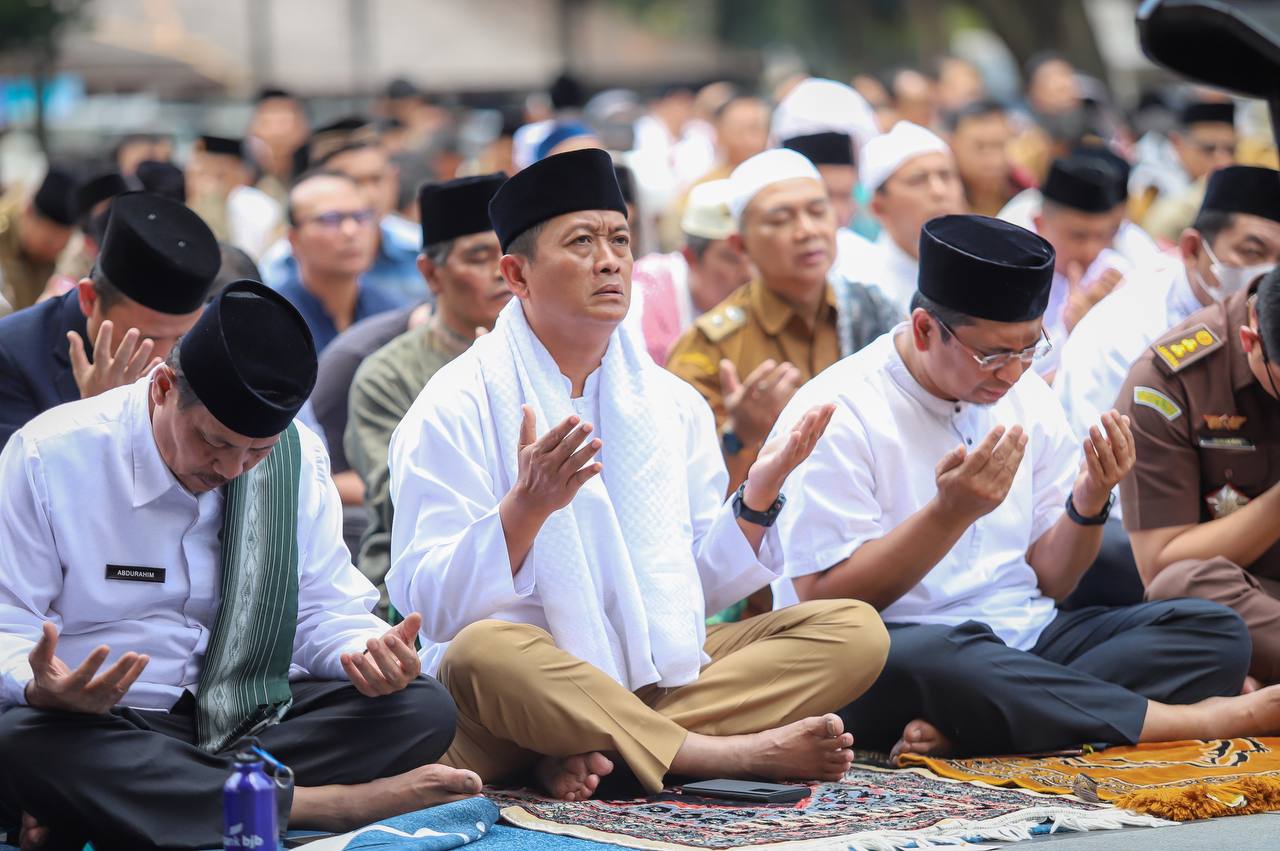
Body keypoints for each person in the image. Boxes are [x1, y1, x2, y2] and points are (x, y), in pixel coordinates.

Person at [387, 148, 889, 801]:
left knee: (854, 631)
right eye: (582, 241)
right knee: (484, 651)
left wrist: (758, 496)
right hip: (516, 695)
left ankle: (596, 750)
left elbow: (695, 593)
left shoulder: (670, 402)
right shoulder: (454, 405)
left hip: (651, 677)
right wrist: (527, 508)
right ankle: (716, 753)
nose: (609, 259)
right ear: (517, 273)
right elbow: (433, 608)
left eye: (620, 239)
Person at [767, 213, 1272, 760]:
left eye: (1029, 350)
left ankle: (982, 728)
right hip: (898, 651)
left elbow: (1053, 581)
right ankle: (1182, 720)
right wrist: (948, 515)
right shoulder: (842, 411)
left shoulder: (1027, 396)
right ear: (923, 329)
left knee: (1213, 632)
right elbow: (826, 604)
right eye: (992, 355)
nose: (1011, 373)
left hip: (1025, 639)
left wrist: (1090, 500)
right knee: (949, 655)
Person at [0, 280, 475, 849]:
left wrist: (363, 651)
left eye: (257, 451)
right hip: (107, 719)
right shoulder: (51, 455)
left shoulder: (296, 457)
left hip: (250, 714)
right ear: (162, 388)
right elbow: (7, 618)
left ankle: (123, 806)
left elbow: (322, 607)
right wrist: (39, 687)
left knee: (421, 708)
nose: (232, 469)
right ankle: (325, 805)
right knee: (20, 737)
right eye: (214, 443)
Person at [1054, 165, 1280, 607]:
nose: (1267, 274)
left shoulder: (1271, 321)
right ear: (1194, 248)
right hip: (1146, 540)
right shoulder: (1126, 338)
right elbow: (1120, 503)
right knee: (1179, 586)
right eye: (1253, 251)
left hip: (1251, 548)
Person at [667, 148, 898, 497]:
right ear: (740, 244)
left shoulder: (873, 311)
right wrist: (741, 436)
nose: (807, 231)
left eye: (818, 212)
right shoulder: (710, 346)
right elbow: (690, 495)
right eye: (780, 220)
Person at [346, 173, 508, 615]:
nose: (501, 271)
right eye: (478, 256)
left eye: (508, 254)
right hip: (415, 593)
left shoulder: (552, 353)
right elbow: (398, 497)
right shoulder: (387, 375)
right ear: (431, 273)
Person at [1118, 269, 1280, 686]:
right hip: (1258, 599)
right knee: (1181, 588)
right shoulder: (1171, 381)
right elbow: (1160, 564)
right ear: (1252, 341)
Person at [0, 192, 220, 448]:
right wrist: (95, 415)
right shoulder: (12, 356)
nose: (167, 357)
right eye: (149, 338)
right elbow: (16, 484)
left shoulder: (197, 354)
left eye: (183, 336)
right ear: (90, 299)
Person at [261, 118, 425, 307]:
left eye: (377, 179)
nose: (369, 195)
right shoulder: (280, 265)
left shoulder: (421, 249)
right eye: (353, 182)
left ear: (394, 177)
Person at [1027, 155, 1133, 376]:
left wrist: (1094, 324)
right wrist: (1070, 329)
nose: (1090, 250)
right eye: (1078, 236)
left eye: (1102, 236)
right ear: (1040, 224)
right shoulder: (1015, 273)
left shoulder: (1117, 277)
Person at [275, 171, 400, 353]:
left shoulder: (391, 312)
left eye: (360, 217)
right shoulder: (275, 318)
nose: (350, 231)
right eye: (330, 219)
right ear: (294, 239)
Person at [632, 179, 754, 364]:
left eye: (754, 258)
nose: (748, 273)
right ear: (690, 257)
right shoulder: (641, 296)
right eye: (731, 259)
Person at [858, 121, 967, 314]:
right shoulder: (866, 287)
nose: (939, 191)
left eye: (946, 175)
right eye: (917, 180)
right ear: (878, 206)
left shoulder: (982, 270)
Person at [1142, 101, 1238, 242]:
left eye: (1231, 150)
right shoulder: (1148, 184)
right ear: (1178, 144)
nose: (1224, 161)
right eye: (1209, 149)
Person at [185, 135, 283, 261]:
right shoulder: (184, 208)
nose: (204, 185)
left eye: (218, 176)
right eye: (195, 175)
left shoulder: (257, 207)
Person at [0, 167, 76, 311]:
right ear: (28, 211)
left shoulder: (69, 252)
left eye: (61, 248)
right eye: (47, 243)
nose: (53, 254)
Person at [945, 100, 1026, 218]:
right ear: (953, 145)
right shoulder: (940, 200)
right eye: (980, 147)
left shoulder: (1025, 194)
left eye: (1000, 145)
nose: (993, 160)